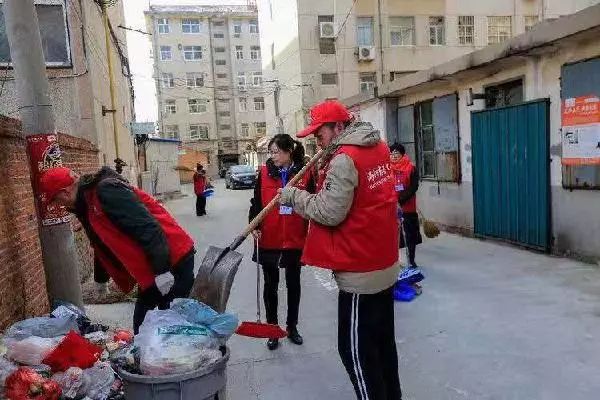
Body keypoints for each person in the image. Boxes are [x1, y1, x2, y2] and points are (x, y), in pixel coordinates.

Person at [279, 100, 402, 399]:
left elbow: (329, 211)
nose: (316, 140)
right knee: (382, 345)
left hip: (361, 270)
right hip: (384, 262)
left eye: (319, 133)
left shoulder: (345, 159)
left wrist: (294, 196)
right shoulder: (379, 147)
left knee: (355, 352)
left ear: (339, 127)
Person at [40, 166, 196, 334]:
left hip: (172, 260)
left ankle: (193, 355)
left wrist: (162, 271)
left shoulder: (106, 191)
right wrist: (101, 279)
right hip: (155, 264)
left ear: (64, 193)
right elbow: (101, 244)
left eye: (56, 200)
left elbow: (147, 227)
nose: (59, 205)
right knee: (145, 326)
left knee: (172, 324)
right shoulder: (87, 204)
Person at [249, 134, 315, 350]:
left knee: (293, 284)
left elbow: (313, 202)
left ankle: (292, 326)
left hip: (295, 238)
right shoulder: (265, 173)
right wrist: (254, 225)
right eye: (271, 152)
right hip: (270, 237)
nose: (273, 156)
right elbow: (256, 202)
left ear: (288, 152)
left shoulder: (304, 173)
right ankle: (272, 329)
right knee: (270, 286)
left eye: (276, 151)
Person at [390, 143, 422, 269]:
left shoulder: (411, 168)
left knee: (409, 235)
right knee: (394, 236)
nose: (393, 156)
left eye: (396, 153)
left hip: (407, 208)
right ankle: (395, 261)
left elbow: (414, 187)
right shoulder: (387, 168)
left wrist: (400, 199)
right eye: (391, 153)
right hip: (391, 208)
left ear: (402, 154)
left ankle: (412, 260)